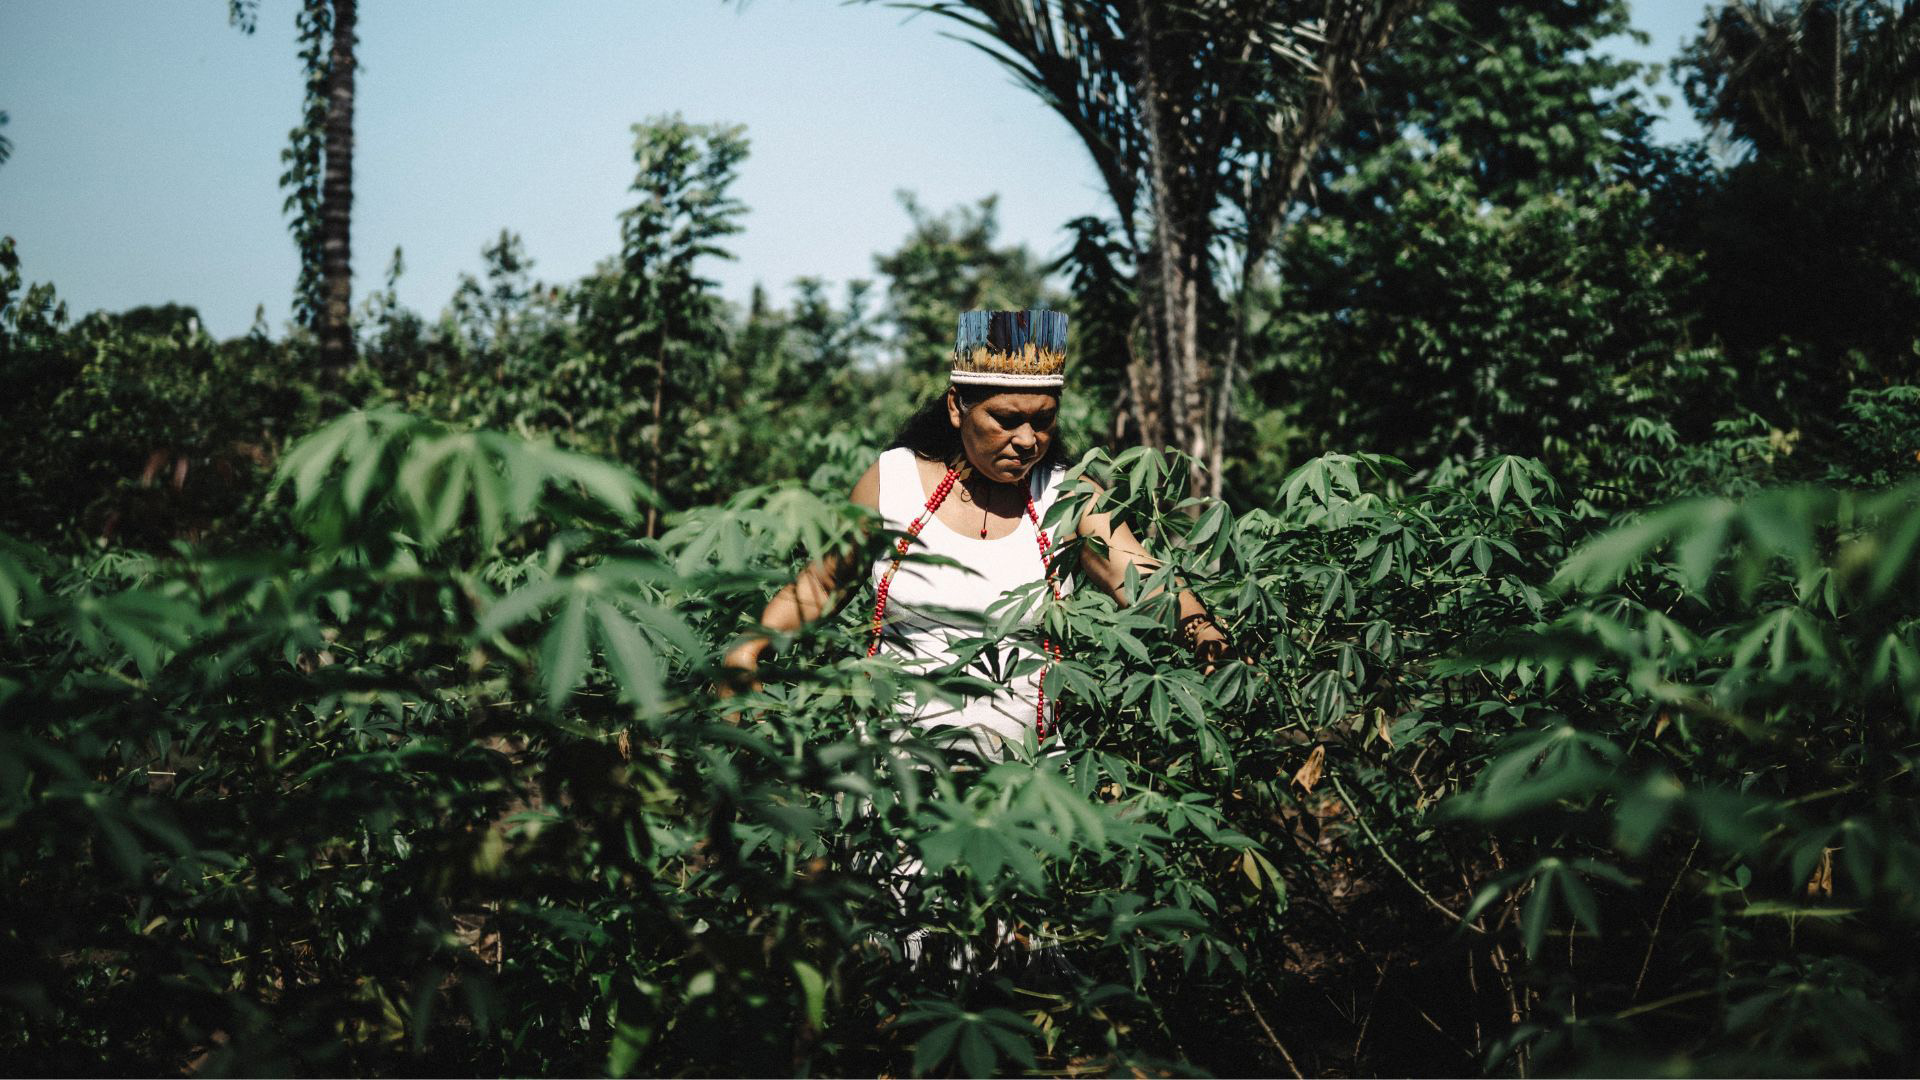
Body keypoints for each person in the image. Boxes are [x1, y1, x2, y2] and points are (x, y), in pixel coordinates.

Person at [720, 308, 1229, 760]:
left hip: (1027, 776)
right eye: (1006, 420)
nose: (1028, 440)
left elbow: (1147, 582)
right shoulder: (893, 481)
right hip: (898, 769)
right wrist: (751, 645)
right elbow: (822, 586)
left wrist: (1201, 629)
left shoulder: (1068, 494)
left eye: (1043, 421)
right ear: (957, 407)